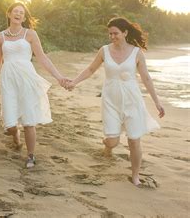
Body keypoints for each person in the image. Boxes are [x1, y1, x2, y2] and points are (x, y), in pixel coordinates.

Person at [66, 16, 164, 186]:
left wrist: (157, 102)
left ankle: (135, 175)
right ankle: (107, 146)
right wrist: (74, 82)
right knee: (112, 141)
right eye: (110, 34)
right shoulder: (104, 51)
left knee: (134, 140)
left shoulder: (136, 53)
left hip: (132, 100)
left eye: (115, 33)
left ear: (125, 32)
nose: (112, 36)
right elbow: (90, 69)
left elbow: (146, 78)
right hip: (110, 100)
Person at [0, 2, 69, 168]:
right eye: (15, 11)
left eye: (21, 13)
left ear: (24, 17)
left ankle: (31, 155)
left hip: (27, 77)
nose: (18, 14)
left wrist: (59, 77)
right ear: (9, 14)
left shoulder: (30, 34)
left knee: (29, 120)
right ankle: (15, 136)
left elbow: (43, 58)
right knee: (9, 123)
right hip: (8, 78)